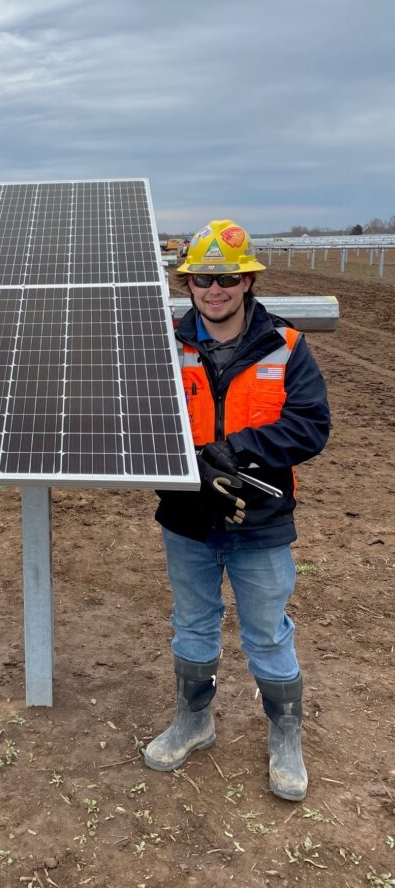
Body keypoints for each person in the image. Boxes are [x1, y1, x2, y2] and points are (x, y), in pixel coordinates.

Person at [146, 219, 330, 801]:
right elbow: (140, 419)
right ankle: (194, 722)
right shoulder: (165, 346)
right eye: (203, 277)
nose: (215, 288)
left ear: (247, 281)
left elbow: (309, 426)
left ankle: (286, 738)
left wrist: (235, 451)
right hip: (187, 518)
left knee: (268, 634)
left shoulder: (288, 346)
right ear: (189, 284)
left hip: (261, 519)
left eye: (228, 277)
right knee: (193, 624)